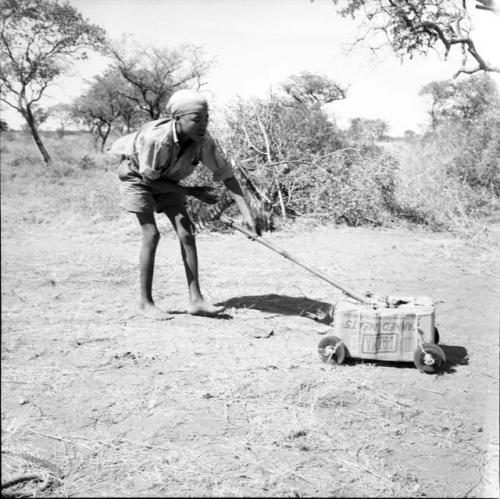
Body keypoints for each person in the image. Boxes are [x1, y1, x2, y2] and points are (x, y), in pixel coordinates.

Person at [108, 89, 260, 320]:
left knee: (186, 232)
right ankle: (145, 303)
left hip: (167, 179)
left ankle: (196, 300)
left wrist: (247, 214)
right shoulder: (157, 140)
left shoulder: (203, 141)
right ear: (177, 119)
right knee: (151, 234)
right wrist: (192, 192)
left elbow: (227, 175)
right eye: (197, 120)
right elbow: (150, 180)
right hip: (137, 176)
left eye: (207, 119)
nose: (203, 125)